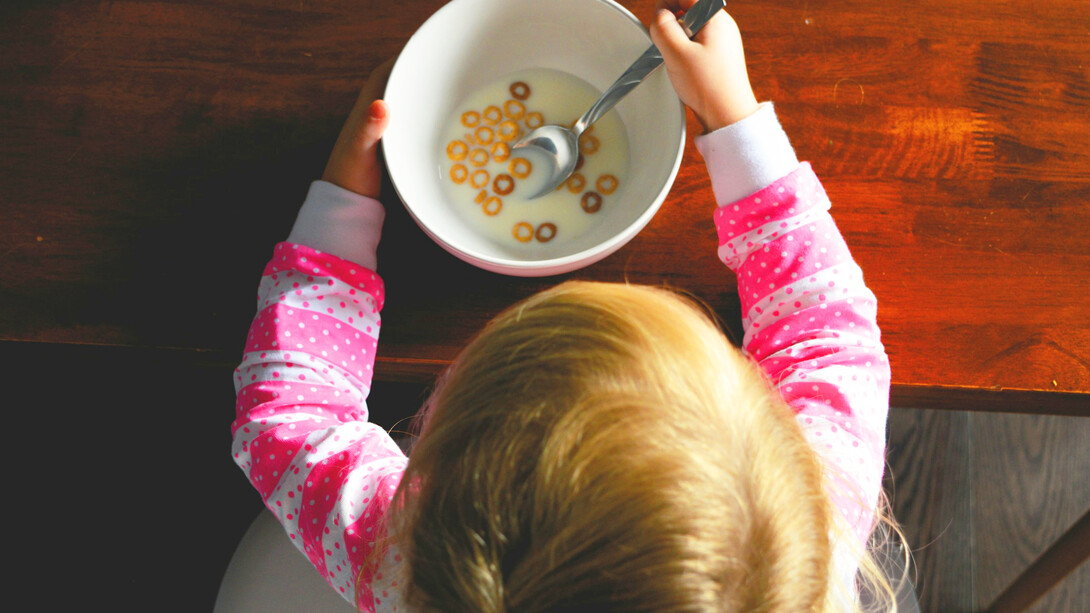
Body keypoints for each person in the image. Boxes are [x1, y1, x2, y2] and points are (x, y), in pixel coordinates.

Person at [230, 1, 909, 610]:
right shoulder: (806, 528)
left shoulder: (402, 556)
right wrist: (734, 119)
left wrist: (343, 202)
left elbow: (289, 418)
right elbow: (826, 336)